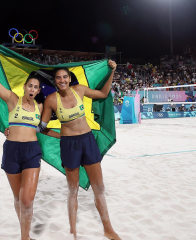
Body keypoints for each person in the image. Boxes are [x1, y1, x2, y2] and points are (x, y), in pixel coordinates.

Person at [0, 40, 59, 240]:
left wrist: (63, 135)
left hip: (32, 151)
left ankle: (24, 238)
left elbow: (43, 130)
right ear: (24, 87)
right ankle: (26, 235)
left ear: (39, 91)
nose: (32, 89)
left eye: (36, 87)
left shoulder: (41, 108)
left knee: (26, 200)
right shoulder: (12, 100)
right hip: (12, 151)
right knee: (17, 198)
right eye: (30, 85)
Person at [39, 64, 121, 239]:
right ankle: (73, 231)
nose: (62, 80)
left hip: (87, 140)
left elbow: (103, 94)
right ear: (55, 81)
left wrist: (112, 72)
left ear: (69, 79)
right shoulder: (52, 100)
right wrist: (59, 136)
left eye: (64, 77)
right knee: (72, 189)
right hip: (69, 144)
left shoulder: (80, 90)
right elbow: (42, 128)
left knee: (99, 187)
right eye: (58, 78)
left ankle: (108, 228)